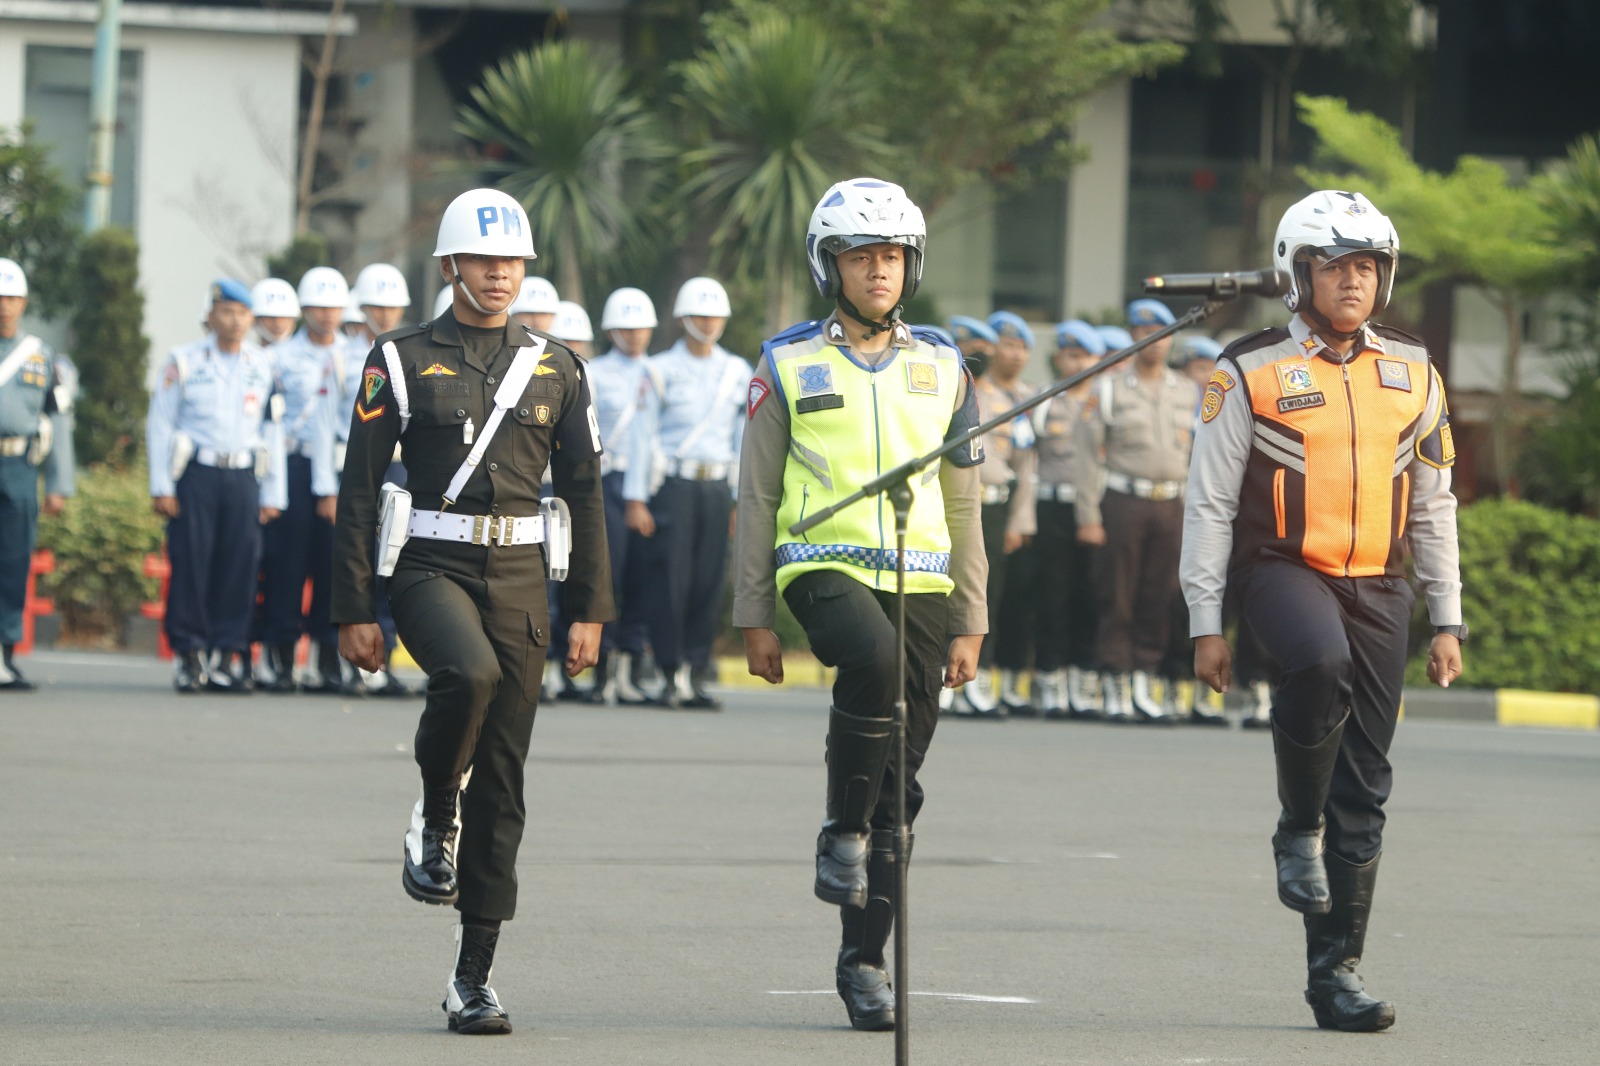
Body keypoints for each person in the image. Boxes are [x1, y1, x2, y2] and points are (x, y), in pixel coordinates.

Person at [1182, 189, 1464, 1032]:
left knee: (1368, 785)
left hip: (1381, 584)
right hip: (1280, 568)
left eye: (1370, 266)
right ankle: (1295, 824)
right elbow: (1208, 505)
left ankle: (1336, 973)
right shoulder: (1250, 366)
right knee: (1316, 661)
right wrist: (1205, 622)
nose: (1355, 280)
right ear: (1295, 273)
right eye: (1336, 265)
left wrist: (1445, 617)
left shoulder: (1414, 371)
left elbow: (1435, 503)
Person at [332, 188, 612, 1035]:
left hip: (525, 575)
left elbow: (587, 492)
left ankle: (473, 976)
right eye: (484, 261)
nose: (499, 275)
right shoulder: (401, 356)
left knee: (505, 780)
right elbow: (357, 485)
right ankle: (433, 805)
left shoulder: (559, 367)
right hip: (430, 562)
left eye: (513, 262)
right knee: (466, 673)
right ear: (450, 267)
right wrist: (354, 606)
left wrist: (592, 607)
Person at [735, 177, 986, 1032]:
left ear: (910, 265)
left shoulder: (944, 365)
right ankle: (839, 831)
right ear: (828, 264)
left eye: (891, 256)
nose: (878, 271)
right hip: (823, 565)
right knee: (870, 661)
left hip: (923, 580)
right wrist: (755, 614)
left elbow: (964, 504)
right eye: (859, 256)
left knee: (902, 785)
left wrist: (972, 616)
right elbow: (757, 497)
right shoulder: (785, 361)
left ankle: (863, 960)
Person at [147, 280, 286, 692]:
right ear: (211, 315)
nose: (235, 320)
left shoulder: (262, 365)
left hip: (244, 477)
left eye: (243, 313)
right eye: (227, 311)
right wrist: (162, 486)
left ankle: (227, 654)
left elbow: (272, 430)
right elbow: (160, 424)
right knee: (192, 564)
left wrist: (274, 493)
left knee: (240, 568)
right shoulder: (184, 361)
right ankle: (189, 654)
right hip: (198, 476)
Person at [625, 277, 751, 708]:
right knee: (669, 581)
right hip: (674, 486)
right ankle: (666, 671)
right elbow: (642, 438)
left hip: (716, 487)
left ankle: (696, 672)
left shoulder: (737, 371)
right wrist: (636, 498)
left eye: (716, 315)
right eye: (700, 315)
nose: (709, 322)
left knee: (708, 581)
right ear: (682, 319)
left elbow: (742, 439)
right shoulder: (657, 369)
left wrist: (740, 498)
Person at [1073, 299, 1197, 723]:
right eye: (1145, 333)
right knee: (1118, 592)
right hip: (1123, 499)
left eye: (1163, 333)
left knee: (1160, 593)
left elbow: (1199, 451)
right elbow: (1087, 457)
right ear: (1133, 337)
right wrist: (1088, 515)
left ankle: (1145, 675)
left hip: (1171, 500)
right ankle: (1116, 679)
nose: (1155, 341)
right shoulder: (1107, 388)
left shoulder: (1187, 389)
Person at [254, 267, 346, 693]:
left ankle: (328, 659)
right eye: (318, 306)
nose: (327, 314)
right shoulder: (278, 357)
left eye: (334, 306)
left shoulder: (358, 355)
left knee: (333, 568)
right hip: (292, 467)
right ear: (303, 309)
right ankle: (282, 656)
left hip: (341, 469)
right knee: (286, 567)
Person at [331, 263, 415, 697]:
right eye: (375, 306)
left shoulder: (407, 352)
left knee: (394, 566)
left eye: (392, 306)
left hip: (400, 468)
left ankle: (384, 660)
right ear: (360, 307)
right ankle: (351, 662)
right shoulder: (340, 357)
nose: (384, 314)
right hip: (357, 467)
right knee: (359, 561)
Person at [955, 310, 1036, 717]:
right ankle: (947, 683)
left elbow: (1026, 466)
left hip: (996, 507)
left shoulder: (1010, 402)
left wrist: (1020, 521)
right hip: (959, 506)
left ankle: (979, 679)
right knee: (949, 594)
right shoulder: (951, 393)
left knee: (990, 598)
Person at [0, 257, 76, 690]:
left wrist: (59, 483)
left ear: (24, 302)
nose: (4, 306)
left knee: (12, 560)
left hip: (19, 464)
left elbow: (59, 419)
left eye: (11, 297)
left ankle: (5, 654)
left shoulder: (42, 356)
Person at [587, 287, 661, 703]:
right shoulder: (594, 372)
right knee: (608, 576)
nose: (635, 335)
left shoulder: (659, 372)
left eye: (642, 328)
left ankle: (631, 670)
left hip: (649, 486)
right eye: (626, 328)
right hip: (609, 484)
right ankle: (604, 673)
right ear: (611, 330)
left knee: (642, 577)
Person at [1028, 319, 1105, 718]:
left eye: (1086, 355)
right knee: (1053, 595)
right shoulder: (1045, 399)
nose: (1078, 362)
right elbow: (1027, 460)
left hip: (1094, 508)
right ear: (1058, 358)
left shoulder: (1104, 401)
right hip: (1053, 506)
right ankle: (1051, 678)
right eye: (1071, 354)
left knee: (1090, 596)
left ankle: (1083, 679)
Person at [1160, 333, 1229, 724]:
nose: (1206, 377)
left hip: (1219, 520)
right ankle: (1171, 684)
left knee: (1221, 605)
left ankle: (1205, 692)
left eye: (1211, 369)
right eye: (1199, 369)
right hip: (1178, 513)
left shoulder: (1225, 409)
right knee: (1173, 601)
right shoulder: (1178, 409)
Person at [250, 278, 300, 347]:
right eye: (271, 317)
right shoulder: (243, 355)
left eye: (284, 317)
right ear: (255, 319)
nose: (278, 323)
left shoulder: (307, 356)